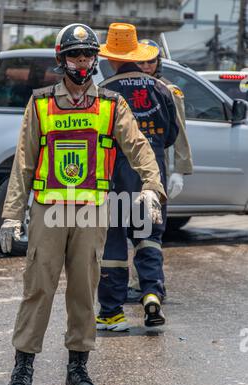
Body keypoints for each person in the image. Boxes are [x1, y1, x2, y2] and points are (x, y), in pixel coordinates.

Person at [0, 23, 166, 385]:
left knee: (83, 291)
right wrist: (12, 213)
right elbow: (23, 163)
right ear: (63, 59)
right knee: (38, 288)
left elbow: (140, 148)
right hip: (49, 210)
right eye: (75, 54)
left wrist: (153, 188)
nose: (82, 61)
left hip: (90, 212)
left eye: (89, 54)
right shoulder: (41, 103)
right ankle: (22, 370)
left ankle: (78, 370)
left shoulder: (111, 104)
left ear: (96, 59)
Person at [96, 23, 179, 332]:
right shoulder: (160, 88)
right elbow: (171, 135)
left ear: (111, 58)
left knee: (114, 241)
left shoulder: (105, 92)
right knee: (149, 239)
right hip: (150, 178)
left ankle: (111, 311)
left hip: (115, 177)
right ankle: (152, 295)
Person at [127, 39, 193, 302]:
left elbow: (180, 134)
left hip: (154, 169)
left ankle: (148, 285)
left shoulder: (168, 91)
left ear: (158, 62)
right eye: (140, 61)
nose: (145, 66)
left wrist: (180, 169)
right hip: (124, 168)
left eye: (150, 61)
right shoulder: (124, 89)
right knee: (126, 227)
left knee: (149, 230)